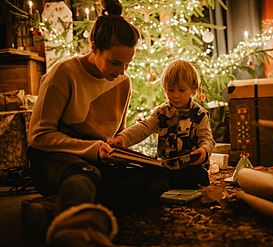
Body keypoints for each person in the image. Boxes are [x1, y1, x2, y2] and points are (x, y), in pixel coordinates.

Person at [23, 0, 169, 244]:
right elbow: (39, 136)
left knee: (158, 178)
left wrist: (118, 147)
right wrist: (91, 149)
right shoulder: (63, 73)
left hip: (98, 159)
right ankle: (71, 231)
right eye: (115, 62)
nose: (122, 71)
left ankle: (57, 206)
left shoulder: (123, 82)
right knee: (84, 173)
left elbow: (115, 131)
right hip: (53, 159)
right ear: (94, 48)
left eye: (127, 64)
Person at [119, 59, 216, 189]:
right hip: (167, 167)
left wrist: (204, 150)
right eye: (170, 90)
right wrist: (124, 137)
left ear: (193, 88)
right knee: (153, 177)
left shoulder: (200, 114)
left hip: (192, 167)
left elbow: (207, 139)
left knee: (196, 179)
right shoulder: (161, 112)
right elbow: (145, 127)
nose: (175, 95)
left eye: (181, 90)